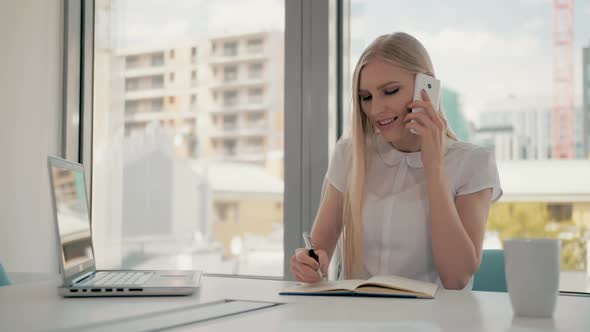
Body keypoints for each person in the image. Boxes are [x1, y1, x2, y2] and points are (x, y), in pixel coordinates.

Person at [289, 32, 502, 290]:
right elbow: (317, 253)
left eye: (390, 91)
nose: (376, 109)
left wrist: (433, 165)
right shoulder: (350, 154)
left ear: (427, 88)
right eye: (366, 97)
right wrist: (308, 265)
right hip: (358, 319)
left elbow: (456, 278)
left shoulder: (472, 164)